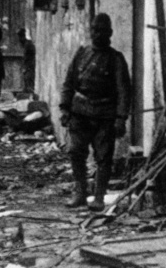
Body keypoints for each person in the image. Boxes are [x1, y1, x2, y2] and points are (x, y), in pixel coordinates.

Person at [59, 13, 131, 211]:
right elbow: (68, 82)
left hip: (104, 116)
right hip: (80, 113)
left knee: (103, 157)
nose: (97, 34)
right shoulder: (81, 53)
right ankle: (80, 193)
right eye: (94, 30)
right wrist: (65, 107)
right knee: (75, 153)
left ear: (110, 33)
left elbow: (124, 90)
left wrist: (121, 118)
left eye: (101, 31)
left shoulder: (116, 59)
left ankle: (99, 197)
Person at [17, 28, 36, 95]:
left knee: (29, 86)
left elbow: (29, 58)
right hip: (28, 68)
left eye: (20, 37)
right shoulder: (27, 44)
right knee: (27, 85)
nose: (19, 40)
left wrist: (26, 68)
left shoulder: (28, 45)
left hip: (29, 68)